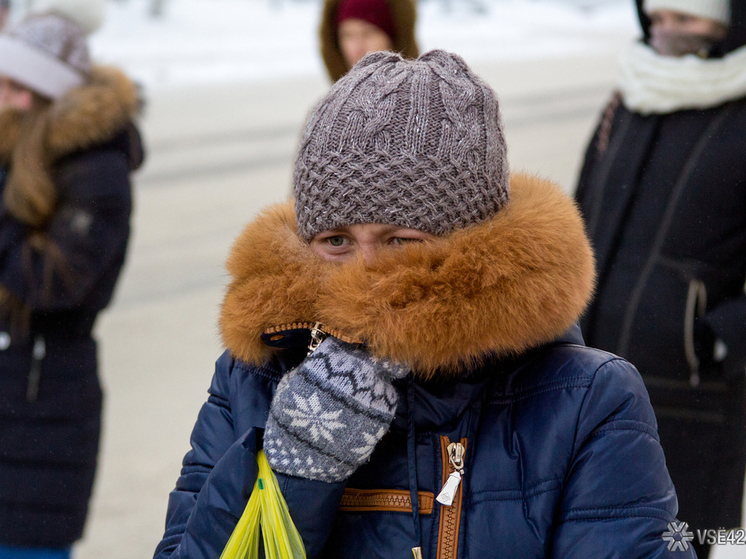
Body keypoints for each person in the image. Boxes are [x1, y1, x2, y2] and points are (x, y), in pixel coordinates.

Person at [154, 50, 694, 558]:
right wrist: (294, 474)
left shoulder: (586, 401)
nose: (363, 274)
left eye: (400, 241)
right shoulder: (253, 379)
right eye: (336, 241)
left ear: (471, 241)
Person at [575, 0, 746, 557]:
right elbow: (575, 223)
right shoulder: (629, 95)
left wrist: (719, 336)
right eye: (658, 18)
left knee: (686, 543)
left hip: (693, 393)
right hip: (590, 380)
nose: (666, 33)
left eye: (688, 20)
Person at [0, 2, 143, 557]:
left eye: (15, 87)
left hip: (44, 408)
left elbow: (54, 282)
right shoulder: (18, 153)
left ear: (46, 93)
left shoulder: (97, 169)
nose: (4, 99)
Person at [319, 0, 418, 82]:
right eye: (348, 35)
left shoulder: (426, 102)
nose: (357, 48)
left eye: (368, 33)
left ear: (394, 38)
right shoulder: (328, 105)